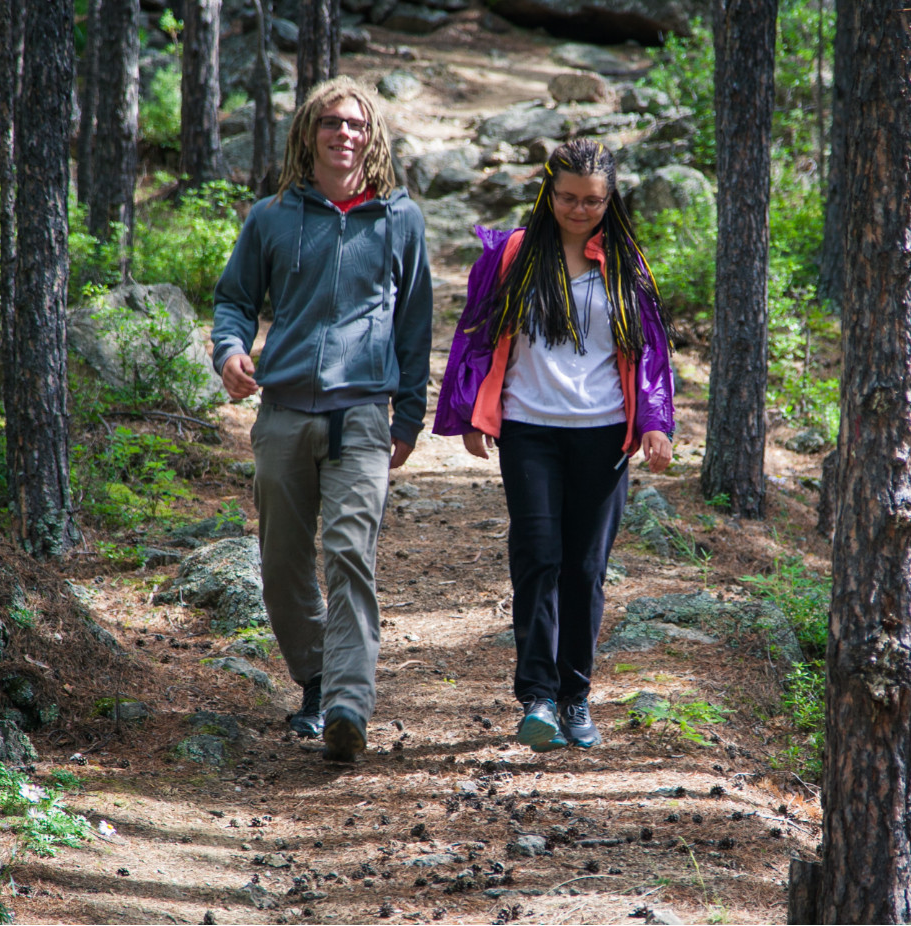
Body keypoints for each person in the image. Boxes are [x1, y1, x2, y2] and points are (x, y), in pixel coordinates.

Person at [210, 76, 433, 763]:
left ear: (373, 138)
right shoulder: (271, 217)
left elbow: (415, 325)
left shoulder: (400, 220)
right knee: (282, 564)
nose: (345, 134)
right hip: (281, 413)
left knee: (348, 555)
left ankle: (346, 705)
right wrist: (229, 351)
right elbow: (235, 299)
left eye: (357, 125)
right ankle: (314, 677)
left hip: (361, 417)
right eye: (332, 122)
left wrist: (409, 417)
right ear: (309, 133)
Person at [433, 139, 675, 752]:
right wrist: (468, 410)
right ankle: (538, 696)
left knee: (585, 570)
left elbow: (649, 352)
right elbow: (477, 333)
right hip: (529, 429)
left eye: (592, 200)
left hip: (604, 433)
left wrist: (655, 422)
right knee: (538, 558)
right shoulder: (515, 254)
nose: (578, 209)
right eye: (567, 197)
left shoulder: (624, 262)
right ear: (548, 191)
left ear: (610, 199)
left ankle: (575, 696)